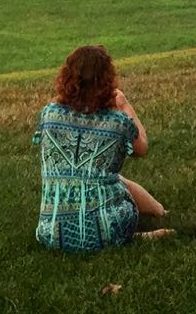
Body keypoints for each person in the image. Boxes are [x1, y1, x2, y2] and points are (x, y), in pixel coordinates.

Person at [33, 44, 172, 252]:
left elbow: (65, 106)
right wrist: (123, 104)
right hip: (106, 230)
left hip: (51, 232)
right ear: (108, 80)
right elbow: (142, 148)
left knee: (93, 176)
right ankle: (157, 217)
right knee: (115, 180)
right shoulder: (117, 122)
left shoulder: (49, 115)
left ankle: (158, 215)